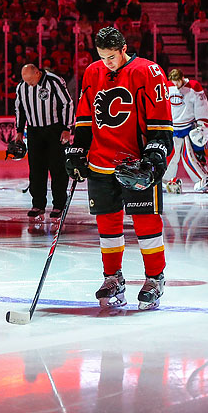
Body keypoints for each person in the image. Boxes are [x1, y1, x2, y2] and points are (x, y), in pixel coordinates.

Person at [66, 27, 173, 310]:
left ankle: (154, 278)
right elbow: (86, 116)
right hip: (101, 162)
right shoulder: (92, 72)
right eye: (103, 57)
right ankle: (112, 277)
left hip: (134, 163)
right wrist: (79, 148)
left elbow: (161, 121)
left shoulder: (148, 72)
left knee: (146, 222)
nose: (108, 63)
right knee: (107, 224)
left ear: (123, 48)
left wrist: (155, 154)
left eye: (112, 57)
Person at [13, 64, 75, 219]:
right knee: (36, 169)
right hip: (34, 131)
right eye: (26, 81)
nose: (29, 84)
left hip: (55, 130)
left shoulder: (53, 81)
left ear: (37, 73)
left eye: (31, 81)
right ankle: (38, 204)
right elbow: (19, 109)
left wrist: (67, 128)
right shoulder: (22, 87)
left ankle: (59, 204)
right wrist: (19, 131)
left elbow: (67, 104)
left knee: (57, 168)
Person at [164, 69, 208, 193]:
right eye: (173, 82)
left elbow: (202, 107)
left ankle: (202, 179)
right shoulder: (167, 86)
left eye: (177, 82)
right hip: (172, 128)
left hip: (188, 128)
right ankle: (165, 180)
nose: (176, 85)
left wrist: (203, 125)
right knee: (171, 156)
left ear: (182, 78)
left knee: (189, 157)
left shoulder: (194, 87)